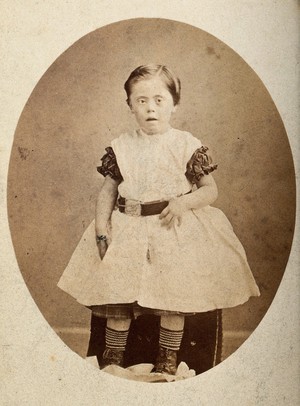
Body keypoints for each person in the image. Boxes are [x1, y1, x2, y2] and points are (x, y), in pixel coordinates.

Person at [58, 64, 260, 375]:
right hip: (128, 228)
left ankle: (168, 361)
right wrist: (102, 229)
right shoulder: (122, 147)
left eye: (159, 100)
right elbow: (107, 192)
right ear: (129, 105)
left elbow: (209, 191)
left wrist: (182, 202)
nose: (150, 108)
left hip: (171, 229)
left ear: (174, 103)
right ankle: (113, 361)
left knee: (172, 296)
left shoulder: (185, 144)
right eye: (141, 101)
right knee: (117, 296)